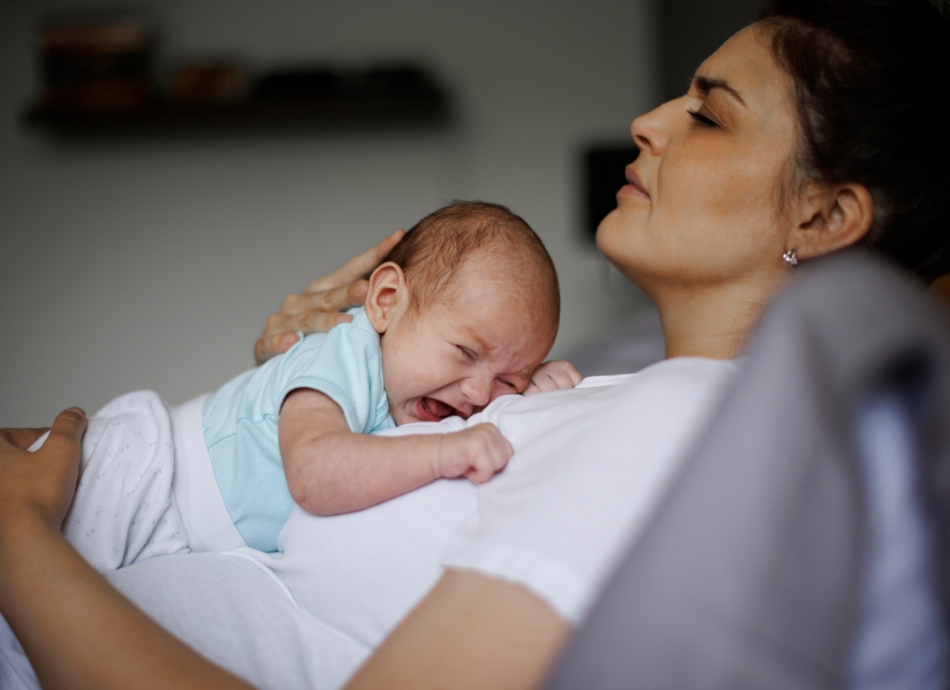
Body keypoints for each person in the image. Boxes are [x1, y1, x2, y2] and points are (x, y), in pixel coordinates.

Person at [1, 0, 949, 688]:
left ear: (824, 215)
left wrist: (18, 539)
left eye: (707, 114)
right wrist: (320, 377)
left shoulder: (690, 422)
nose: (647, 123)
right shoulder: (616, 393)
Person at [26, 201, 579, 568]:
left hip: (187, 535)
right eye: (465, 351)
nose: (481, 394)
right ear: (386, 302)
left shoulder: (439, 394)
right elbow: (314, 472)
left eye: (509, 376)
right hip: (141, 481)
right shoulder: (345, 353)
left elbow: (492, 415)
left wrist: (536, 391)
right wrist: (443, 455)